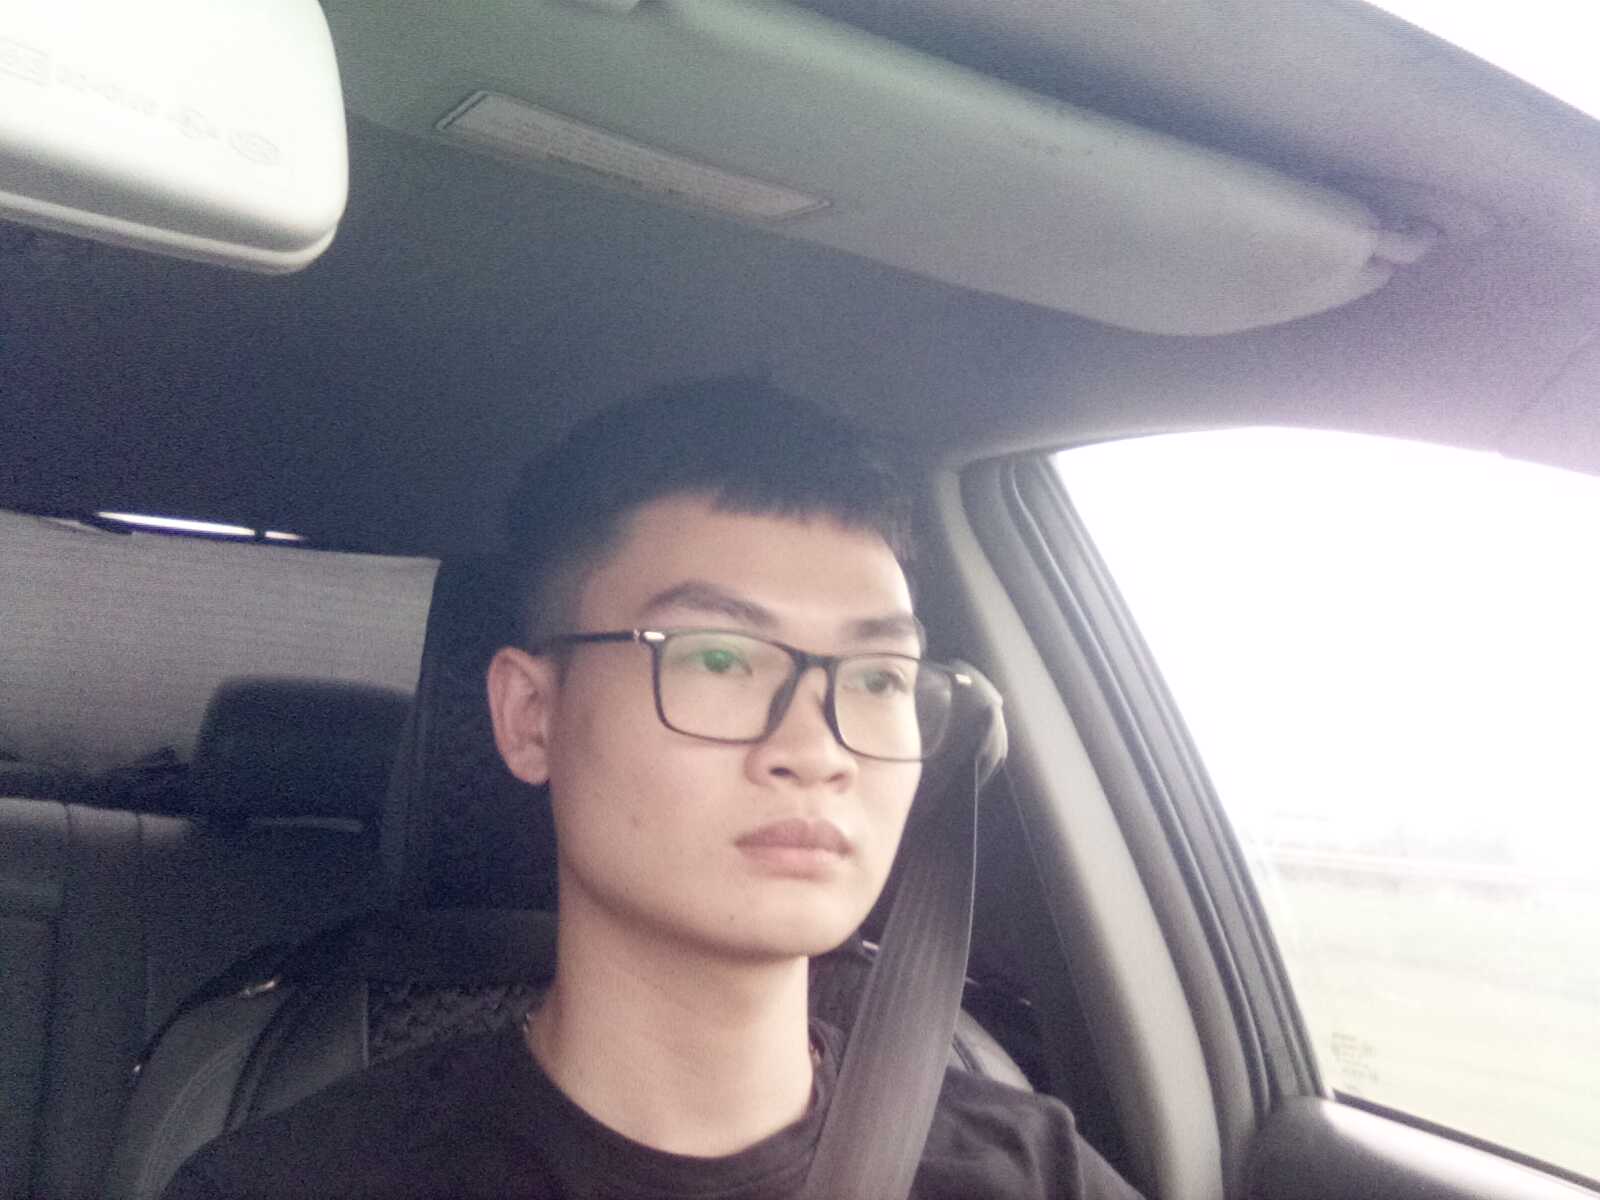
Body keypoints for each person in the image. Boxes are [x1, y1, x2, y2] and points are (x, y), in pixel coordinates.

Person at [161, 378, 1144, 1199]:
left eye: (878, 678)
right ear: (530, 715)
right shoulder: (296, 1182)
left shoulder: (1032, 1169)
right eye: (718, 658)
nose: (816, 749)